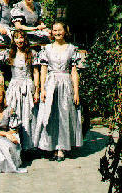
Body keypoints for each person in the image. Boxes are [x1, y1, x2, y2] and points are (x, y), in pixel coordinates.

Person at [34, 22, 82, 161]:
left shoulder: (71, 49)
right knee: (50, 114)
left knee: (64, 115)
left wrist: (76, 91)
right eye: (54, 30)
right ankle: (50, 145)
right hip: (51, 83)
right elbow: (43, 70)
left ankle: (61, 147)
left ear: (65, 31)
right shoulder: (46, 49)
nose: (57, 33)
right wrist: (42, 89)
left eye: (59, 30)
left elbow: (74, 71)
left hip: (66, 83)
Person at [0, 30, 40, 151]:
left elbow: (35, 72)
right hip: (15, 85)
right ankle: (16, 144)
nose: (19, 41)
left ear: (25, 40)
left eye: (22, 38)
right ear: (14, 40)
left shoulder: (32, 53)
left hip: (27, 85)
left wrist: (37, 89)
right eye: (17, 38)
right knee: (15, 112)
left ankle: (29, 146)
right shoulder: (10, 53)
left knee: (28, 114)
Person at [0, 84, 26, 174]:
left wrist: (8, 135)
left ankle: (7, 164)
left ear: (3, 97)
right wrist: (5, 134)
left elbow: (14, 129)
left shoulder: (9, 110)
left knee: (11, 140)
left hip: (7, 136)